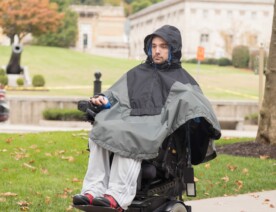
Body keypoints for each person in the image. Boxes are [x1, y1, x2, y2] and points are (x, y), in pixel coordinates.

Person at [73, 25, 221, 211]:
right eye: (154, 46)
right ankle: (93, 190)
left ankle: (117, 196)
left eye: (164, 46)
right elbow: (116, 95)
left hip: (154, 130)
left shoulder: (183, 80)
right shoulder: (137, 73)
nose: (157, 50)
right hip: (130, 122)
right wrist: (104, 99)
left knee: (128, 135)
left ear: (174, 49)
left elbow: (197, 104)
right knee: (101, 130)